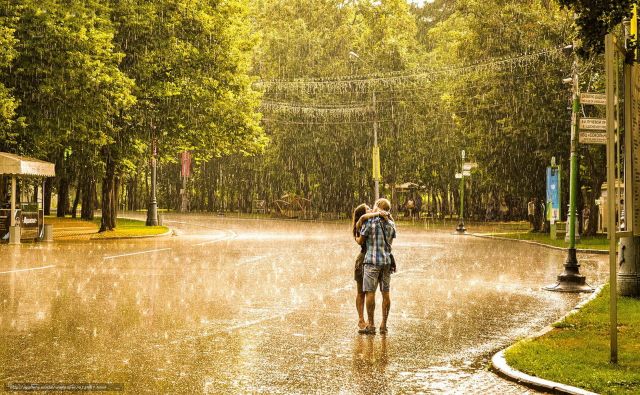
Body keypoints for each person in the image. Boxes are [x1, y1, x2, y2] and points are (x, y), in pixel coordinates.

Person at [356, 198, 396, 335]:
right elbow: (390, 241)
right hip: (386, 262)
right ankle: (384, 325)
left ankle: (371, 325)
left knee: (370, 293)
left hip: (371, 262)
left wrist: (358, 236)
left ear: (378, 206)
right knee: (386, 293)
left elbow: (361, 239)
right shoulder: (391, 224)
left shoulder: (370, 222)